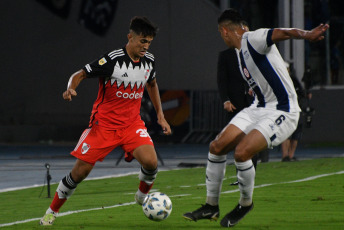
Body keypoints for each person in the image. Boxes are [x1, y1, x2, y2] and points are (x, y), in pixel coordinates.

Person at [183, 8, 328, 228]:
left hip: (283, 111)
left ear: (224, 31)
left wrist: (307, 34)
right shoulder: (240, 51)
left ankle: (245, 203)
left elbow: (282, 32)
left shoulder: (251, 38)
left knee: (242, 152)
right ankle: (211, 206)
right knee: (217, 146)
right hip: (258, 107)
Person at [40, 16, 171, 225]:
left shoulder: (149, 61)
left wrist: (161, 116)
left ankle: (140, 196)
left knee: (151, 162)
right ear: (130, 37)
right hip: (104, 126)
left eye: (149, 42)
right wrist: (71, 88)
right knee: (79, 173)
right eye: (142, 41)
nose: (146, 46)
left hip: (132, 125)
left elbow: (152, 85)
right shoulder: (112, 60)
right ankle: (52, 211)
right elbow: (80, 74)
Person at [281, 62, 312, 162]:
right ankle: (285, 155)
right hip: (285, 110)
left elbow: (302, 92)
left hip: (296, 109)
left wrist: (301, 102)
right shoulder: (279, 80)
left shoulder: (293, 80)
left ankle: (290, 155)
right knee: (286, 133)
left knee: (296, 134)